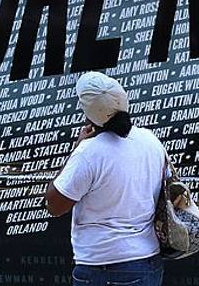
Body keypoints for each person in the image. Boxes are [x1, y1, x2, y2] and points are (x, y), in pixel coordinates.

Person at [46, 71, 167, 286]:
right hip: (149, 261)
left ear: (88, 114)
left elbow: (55, 205)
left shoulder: (89, 152)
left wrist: (76, 149)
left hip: (104, 267)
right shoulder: (150, 140)